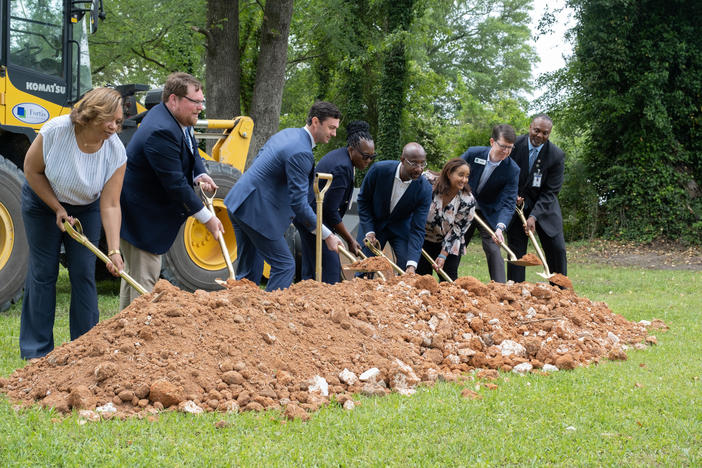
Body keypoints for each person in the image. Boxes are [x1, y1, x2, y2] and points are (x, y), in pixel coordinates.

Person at [20, 87, 126, 359]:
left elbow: (111, 203)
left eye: (119, 121)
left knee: (83, 272)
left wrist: (113, 251)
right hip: (43, 201)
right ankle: (36, 352)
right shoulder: (56, 131)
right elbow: (31, 170)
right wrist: (57, 208)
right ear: (91, 115)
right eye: (109, 120)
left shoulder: (116, 152)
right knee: (44, 272)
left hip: (86, 207)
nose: (114, 127)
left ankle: (85, 349)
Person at [119, 72, 223, 309]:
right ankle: (135, 339)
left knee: (133, 278)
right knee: (143, 282)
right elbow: (175, 184)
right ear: (174, 99)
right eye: (195, 102)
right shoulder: (161, 131)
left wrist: (200, 173)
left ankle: (121, 335)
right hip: (141, 218)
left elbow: (191, 147)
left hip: (143, 214)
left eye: (201, 102)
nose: (200, 108)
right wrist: (207, 218)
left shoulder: (179, 120)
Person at [224, 101, 343, 291]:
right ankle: (269, 317)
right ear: (315, 122)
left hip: (240, 202)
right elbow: (299, 204)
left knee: (247, 276)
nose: (334, 133)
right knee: (285, 266)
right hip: (256, 212)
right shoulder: (301, 152)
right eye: (331, 127)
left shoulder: (288, 134)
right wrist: (326, 234)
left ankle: (242, 317)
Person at [294, 120, 375, 284]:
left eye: (372, 157)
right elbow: (330, 211)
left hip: (310, 216)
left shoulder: (344, 158)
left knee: (312, 266)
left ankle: (308, 300)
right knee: (331, 269)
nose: (368, 161)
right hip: (312, 217)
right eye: (365, 156)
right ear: (352, 149)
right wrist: (349, 239)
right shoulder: (342, 167)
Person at [506, 114, 567, 282]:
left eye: (545, 133)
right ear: (530, 128)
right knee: (516, 250)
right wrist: (512, 196)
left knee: (557, 248)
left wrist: (534, 216)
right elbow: (503, 174)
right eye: (537, 130)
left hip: (545, 206)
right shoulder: (513, 146)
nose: (540, 136)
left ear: (549, 134)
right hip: (517, 205)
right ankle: (516, 290)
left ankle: (560, 291)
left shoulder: (556, 155)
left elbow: (551, 191)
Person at [356, 142, 432, 274]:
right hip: (374, 224)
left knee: (405, 266)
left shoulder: (425, 188)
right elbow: (363, 201)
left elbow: (418, 228)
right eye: (414, 163)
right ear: (402, 160)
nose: (419, 169)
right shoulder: (378, 170)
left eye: (422, 163)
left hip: (401, 227)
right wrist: (369, 230)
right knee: (365, 269)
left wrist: (412, 265)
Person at [460, 124, 520, 283]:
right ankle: (446, 281)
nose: (506, 152)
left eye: (510, 148)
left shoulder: (512, 170)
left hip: (488, 212)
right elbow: (453, 174)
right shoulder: (473, 154)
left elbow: (508, 202)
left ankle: (499, 288)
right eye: (503, 146)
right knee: (455, 242)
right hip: (463, 208)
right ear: (492, 142)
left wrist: (500, 227)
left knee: (493, 248)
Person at [416, 158, 476, 281]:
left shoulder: (468, 201)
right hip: (422, 238)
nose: (464, 180)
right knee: (421, 278)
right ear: (449, 173)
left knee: (449, 279)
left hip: (448, 242)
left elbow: (457, 230)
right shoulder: (428, 182)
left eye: (467, 176)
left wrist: (443, 254)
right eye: (461, 175)